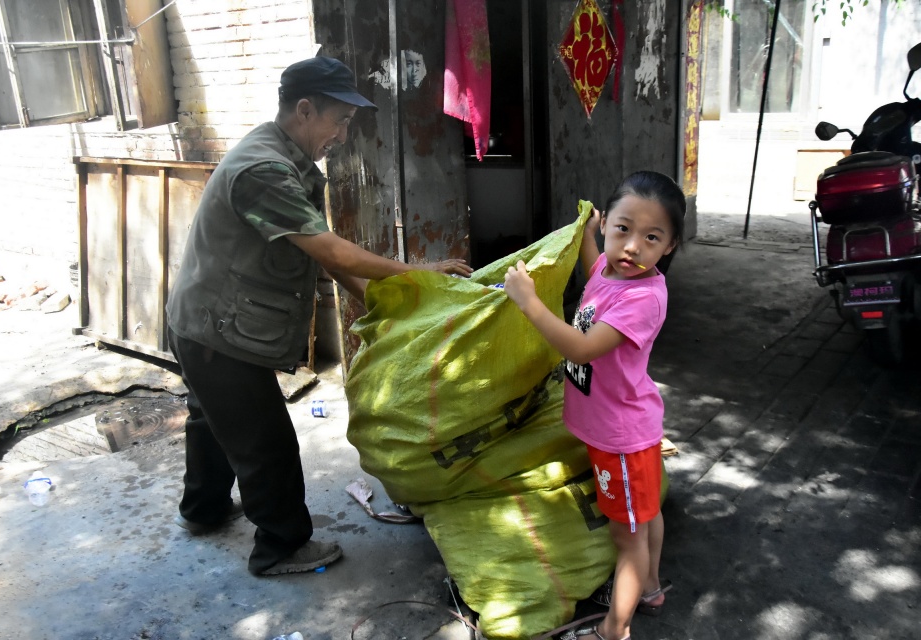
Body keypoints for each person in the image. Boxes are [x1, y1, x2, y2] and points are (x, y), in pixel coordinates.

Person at [165, 56, 472, 576]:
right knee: (266, 442)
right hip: (218, 330)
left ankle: (204, 509)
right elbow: (332, 251)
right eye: (340, 121)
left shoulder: (286, 159)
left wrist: (378, 308)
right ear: (305, 110)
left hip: (204, 321)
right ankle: (281, 547)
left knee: (214, 420)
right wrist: (422, 274)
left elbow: (319, 255)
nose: (343, 135)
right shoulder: (265, 170)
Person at [503, 171, 684, 640]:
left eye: (651, 237)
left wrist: (530, 304)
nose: (631, 247)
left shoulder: (643, 297)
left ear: (669, 246)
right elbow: (597, 273)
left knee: (628, 539)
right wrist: (587, 236)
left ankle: (613, 630)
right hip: (621, 430)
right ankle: (650, 588)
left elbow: (580, 350)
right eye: (622, 229)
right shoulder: (612, 269)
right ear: (608, 226)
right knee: (645, 516)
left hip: (622, 439)